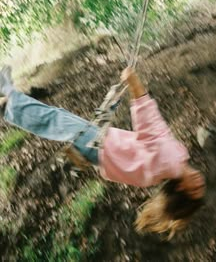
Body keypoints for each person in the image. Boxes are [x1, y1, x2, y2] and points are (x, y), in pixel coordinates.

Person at [0, 66, 205, 238]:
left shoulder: (169, 165)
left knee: (52, 120)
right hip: (100, 148)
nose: (199, 183)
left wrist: (135, 85)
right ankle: (7, 101)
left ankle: (8, 97)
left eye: (194, 189)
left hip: (99, 146)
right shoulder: (177, 159)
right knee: (55, 118)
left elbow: (151, 126)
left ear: (180, 189)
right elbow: (159, 132)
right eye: (201, 187)